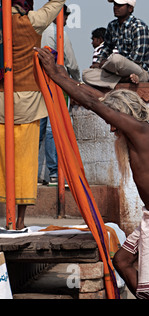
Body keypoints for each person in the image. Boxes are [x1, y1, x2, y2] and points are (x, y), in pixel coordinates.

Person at [35, 46, 149, 299]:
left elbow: (92, 104)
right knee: (121, 261)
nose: (111, 129)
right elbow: (97, 99)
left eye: (113, 122)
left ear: (123, 115)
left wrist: (56, 77)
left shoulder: (140, 131)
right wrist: (65, 78)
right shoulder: (138, 129)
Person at [0, 0, 66, 230]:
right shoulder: (33, 21)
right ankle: (19, 221)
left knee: (3, 163)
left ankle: (6, 218)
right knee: (26, 163)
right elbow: (57, 2)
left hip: (1, 99)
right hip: (28, 100)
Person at [39, 3, 80, 186]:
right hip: (55, 83)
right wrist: (77, 83)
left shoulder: (37, 30)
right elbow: (71, 63)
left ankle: (34, 174)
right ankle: (55, 173)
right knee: (51, 129)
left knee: (38, 130)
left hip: (36, 82)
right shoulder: (57, 32)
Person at [82, 0, 149, 88]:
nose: (115, 7)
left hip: (140, 71)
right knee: (86, 74)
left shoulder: (139, 27)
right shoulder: (112, 25)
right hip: (118, 70)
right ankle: (123, 80)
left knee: (116, 59)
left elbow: (136, 59)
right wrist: (99, 62)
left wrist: (104, 64)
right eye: (115, 5)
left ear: (130, 8)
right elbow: (106, 49)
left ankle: (118, 78)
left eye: (119, 5)